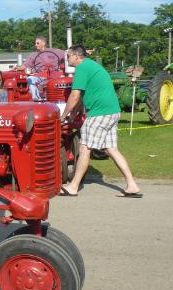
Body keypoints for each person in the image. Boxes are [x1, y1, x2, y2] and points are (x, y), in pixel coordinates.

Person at [59, 45, 141, 197]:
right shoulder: (92, 66)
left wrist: (63, 116)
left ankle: (73, 186)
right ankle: (132, 185)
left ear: (77, 57)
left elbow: (75, 95)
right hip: (112, 111)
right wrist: (74, 113)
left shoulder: (82, 68)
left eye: (69, 56)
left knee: (84, 148)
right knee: (111, 149)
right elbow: (84, 96)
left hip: (99, 113)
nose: (67, 59)